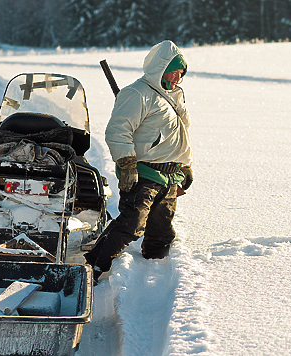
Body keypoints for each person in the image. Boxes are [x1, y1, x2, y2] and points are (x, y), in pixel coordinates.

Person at [84, 40, 193, 283]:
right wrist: (127, 164)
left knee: (161, 229)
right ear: (160, 68)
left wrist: (184, 165)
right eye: (174, 71)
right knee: (132, 224)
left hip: (169, 174)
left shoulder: (174, 96)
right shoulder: (138, 93)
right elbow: (118, 130)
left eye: (181, 73)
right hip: (144, 173)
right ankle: (93, 266)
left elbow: (179, 134)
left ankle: (155, 268)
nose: (178, 77)